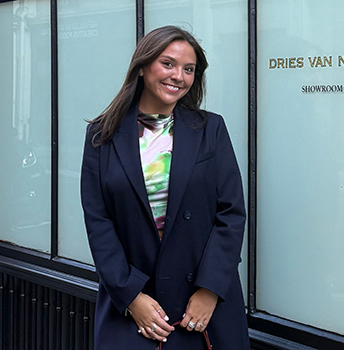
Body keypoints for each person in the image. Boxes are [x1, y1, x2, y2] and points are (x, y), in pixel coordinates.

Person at [81, 26, 249, 350]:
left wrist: (210, 290)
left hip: (200, 310)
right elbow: (98, 222)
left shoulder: (210, 129)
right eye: (168, 64)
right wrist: (131, 297)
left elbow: (231, 213)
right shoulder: (101, 137)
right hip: (133, 309)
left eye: (189, 69)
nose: (179, 76)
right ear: (142, 67)